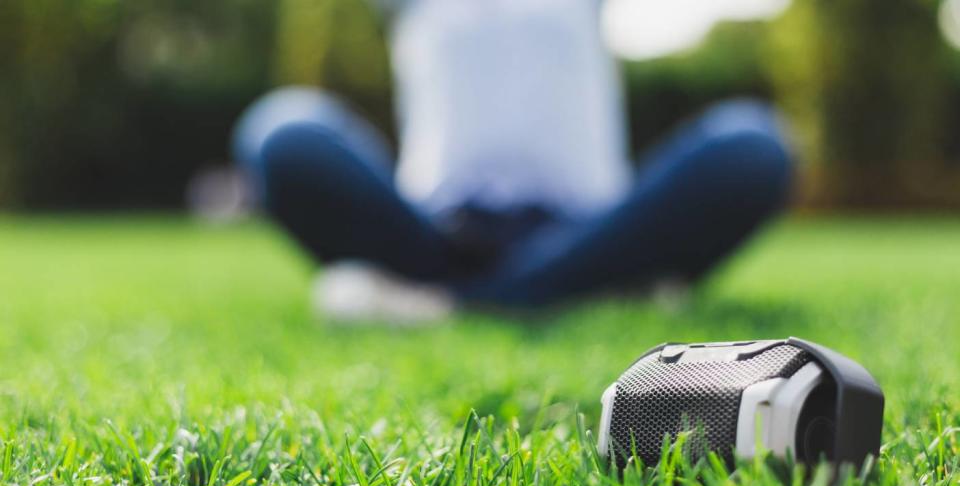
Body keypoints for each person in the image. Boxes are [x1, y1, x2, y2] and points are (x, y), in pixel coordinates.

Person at [232, 0, 793, 321]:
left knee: (754, 147)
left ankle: (454, 303)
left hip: (588, 230)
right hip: (438, 233)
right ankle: (571, 293)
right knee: (282, 131)